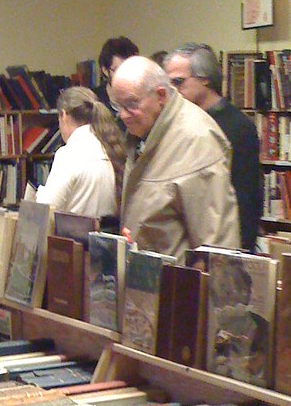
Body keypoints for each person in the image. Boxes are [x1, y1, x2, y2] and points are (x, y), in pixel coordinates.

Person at [111, 55, 240, 260]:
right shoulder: (141, 134)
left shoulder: (197, 140)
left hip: (177, 287)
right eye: (117, 106)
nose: (123, 115)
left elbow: (216, 247)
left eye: (131, 104)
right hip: (147, 283)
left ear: (161, 95)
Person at [164, 43, 261, 251]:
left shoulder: (238, 127)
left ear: (205, 78)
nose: (172, 91)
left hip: (222, 245)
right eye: (168, 83)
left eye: (178, 82)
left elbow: (246, 199)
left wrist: (238, 253)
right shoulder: (175, 124)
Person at [35, 86, 125, 218]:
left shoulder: (69, 154)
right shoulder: (111, 148)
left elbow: (45, 212)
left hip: (74, 236)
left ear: (64, 115)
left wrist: (40, 194)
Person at [96, 35, 139, 121]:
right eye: (119, 69)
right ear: (105, 70)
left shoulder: (141, 97)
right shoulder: (93, 101)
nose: (126, 75)